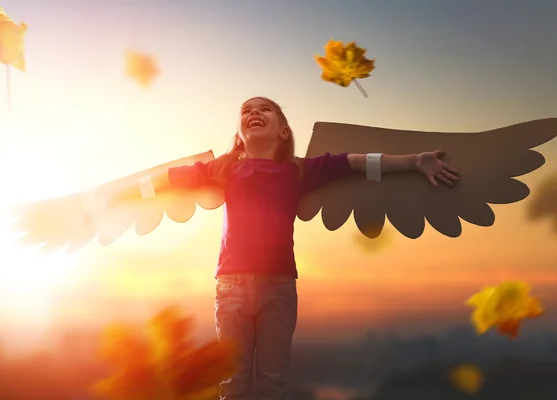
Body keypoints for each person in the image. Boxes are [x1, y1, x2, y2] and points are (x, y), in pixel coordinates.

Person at [119, 96, 459, 400]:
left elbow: (356, 163)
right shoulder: (224, 170)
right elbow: (170, 178)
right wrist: (119, 196)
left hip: (279, 290)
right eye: (246, 110)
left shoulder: (298, 170)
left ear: (283, 131)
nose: (254, 112)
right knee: (232, 384)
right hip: (231, 288)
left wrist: (415, 161)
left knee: (271, 384)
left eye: (265, 109)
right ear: (239, 133)